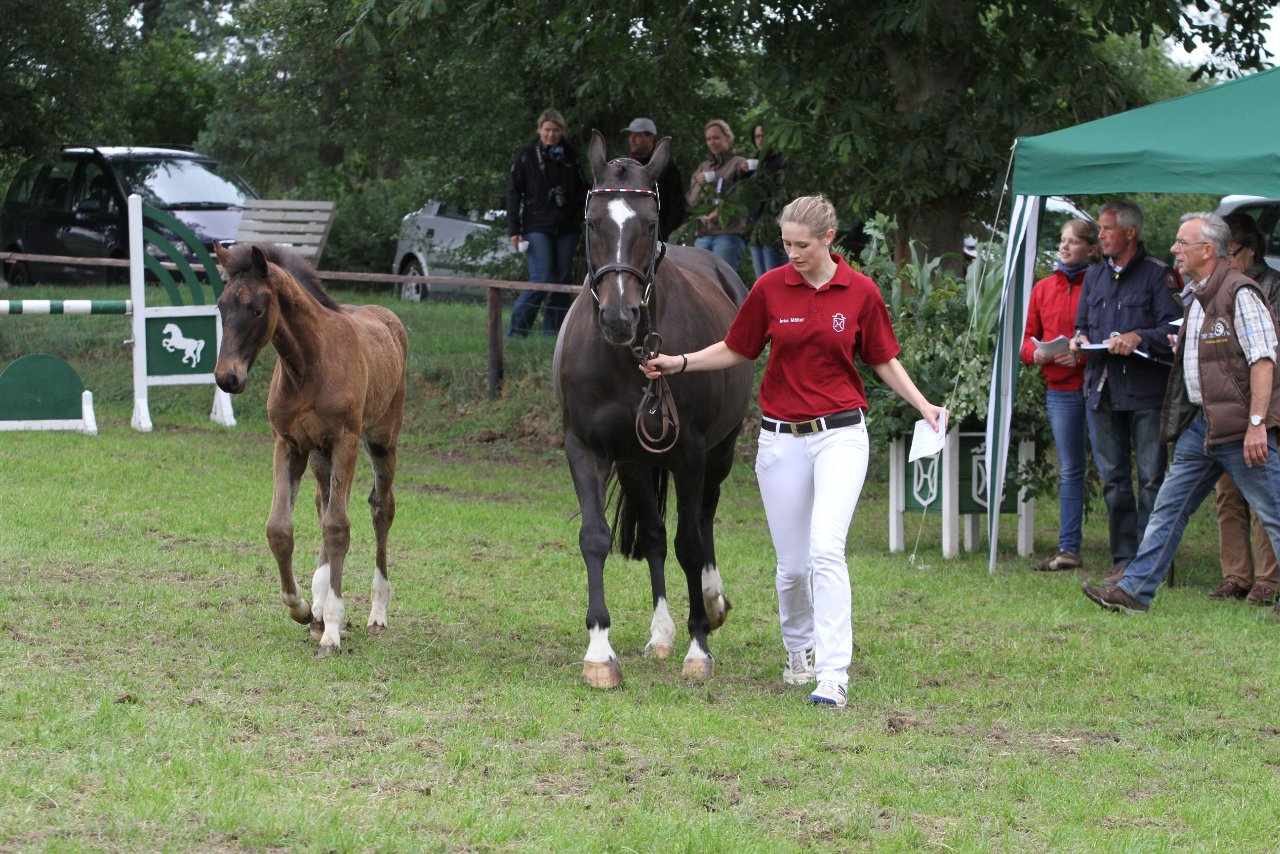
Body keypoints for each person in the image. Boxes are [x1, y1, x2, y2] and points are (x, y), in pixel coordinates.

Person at [641, 194, 945, 708]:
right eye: (785, 243)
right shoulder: (768, 288)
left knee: (826, 550)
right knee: (793, 568)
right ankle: (798, 651)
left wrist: (924, 404)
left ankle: (832, 674)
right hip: (781, 440)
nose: (792, 253)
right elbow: (738, 348)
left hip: (841, 435)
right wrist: (681, 362)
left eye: (801, 244)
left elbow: (883, 359)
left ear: (829, 238)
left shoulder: (861, 292)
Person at [1082, 212, 1280, 615]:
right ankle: (1135, 591)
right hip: (1203, 427)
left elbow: (1263, 361)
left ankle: (1135, 588)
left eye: (1182, 243)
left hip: (1240, 429)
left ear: (1207, 250)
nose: (1174, 250)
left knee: (1274, 512)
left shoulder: (1240, 292)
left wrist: (1257, 424)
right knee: (1168, 508)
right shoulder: (1198, 294)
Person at [1071, 200, 1183, 585]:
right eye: (1100, 230)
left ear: (1131, 233)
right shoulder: (1094, 276)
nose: (1099, 236)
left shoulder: (1159, 275)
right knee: (1114, 479)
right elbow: (1082, 325)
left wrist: (1140, 337)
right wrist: (1079, 340)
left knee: (1152, 478)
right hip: (1102, 391)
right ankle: (1123, 558)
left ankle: (1153, 563)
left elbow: (1175, 329)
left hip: (1147, 392)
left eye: (1106, 229)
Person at [1206, 212, 1280, 604]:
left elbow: (1267, 352)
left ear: (1251, 249)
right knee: (1227, 492)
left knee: (1264, 495)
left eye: (1230, 252)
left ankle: (1268, 580)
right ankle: (1235, 575)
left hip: (1264, 405)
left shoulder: (1273, 286)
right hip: (1227, 407)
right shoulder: (1218, 287)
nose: (1226, 259)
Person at [1020, 219, 1100, 571]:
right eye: (1062, 241)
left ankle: (1130, 552)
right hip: (1060, 390)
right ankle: (1069, 549)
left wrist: (1084, 354)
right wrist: (1033, 353)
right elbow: (1026, 337)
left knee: (1112, 469)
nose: (1065, 247)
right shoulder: (1043, 288)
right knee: (1070, 468)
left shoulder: (1099, 284)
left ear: (1091, 249)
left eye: (1073, 242)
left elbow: (1111, 333)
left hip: (1099, 386)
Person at [505, 108, 586, 337]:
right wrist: (514, 229)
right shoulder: (527, 155)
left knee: (561, 281)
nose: (551, 135)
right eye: (547, 130)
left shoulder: (570, 156)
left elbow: (583, 189)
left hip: (566, 227)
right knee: (541, 278)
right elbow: (513, 193)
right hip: (536, 226)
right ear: (540, 129)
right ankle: (517, 332)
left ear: (562, 131)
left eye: (556, 130)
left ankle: (554, 334)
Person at [685, 119, 749, 273]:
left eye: (716, 137)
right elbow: (692, 201)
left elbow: (744, 199)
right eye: (708, 139)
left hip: (729, 232)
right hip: (704, 233)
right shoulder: (704, 166)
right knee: (699, 280)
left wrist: (721, 210)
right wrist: (698, 184)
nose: (712, 142)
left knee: (723, 280)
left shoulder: (739, 163)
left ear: (728, 137)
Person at [621, 117, 686, 242]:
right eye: (630, 135)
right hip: (630, 238)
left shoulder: (667, 168)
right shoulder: (626, 166)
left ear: (650, 137)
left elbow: (677, 205)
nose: (632, 139)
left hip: (657, 239)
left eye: (637, 135)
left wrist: (666, 236)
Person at [744, 122, 788, 280]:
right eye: (757, 136)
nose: (761, 139)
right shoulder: (753, 163)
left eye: (764, 135)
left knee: (775, 278)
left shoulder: (782, 160)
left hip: (774, 227)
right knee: (761, 279)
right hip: (756, 228)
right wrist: (745, 174)